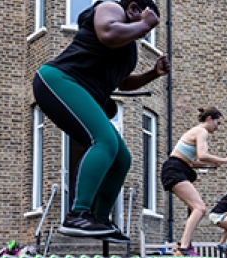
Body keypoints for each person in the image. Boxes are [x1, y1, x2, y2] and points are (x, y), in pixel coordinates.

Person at [32, 0, 169, 240]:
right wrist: (145, 24)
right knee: (104, 141)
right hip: (59, 80)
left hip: (81, 90)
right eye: (148, 23)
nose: (146, 32)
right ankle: (78, 214)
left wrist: (153, 73)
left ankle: (99, 219)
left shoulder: (127, 47)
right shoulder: (111, 8)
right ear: (134, 8)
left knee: (122, 157)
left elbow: (122, 82)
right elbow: (108, 33)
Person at [161, 107, 227, 256]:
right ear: (209, 119)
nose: (218, 128)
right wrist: (225, 160)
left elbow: (193, 162)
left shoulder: (195, 132)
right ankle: (183, 247)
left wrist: (212, 164)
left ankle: (185, 245)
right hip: (175, 169)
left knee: (194, 209)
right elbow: (202, 155)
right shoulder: (202, 131)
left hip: (178, 168)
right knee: (199, 208)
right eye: (217, 123)